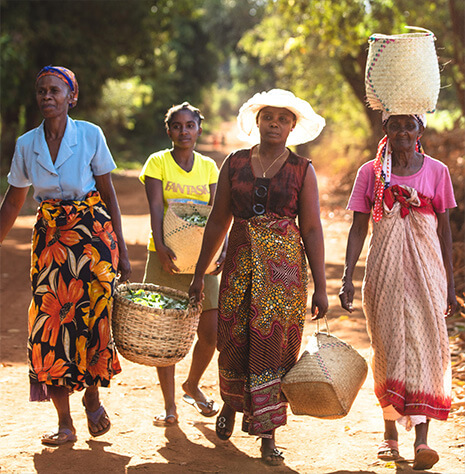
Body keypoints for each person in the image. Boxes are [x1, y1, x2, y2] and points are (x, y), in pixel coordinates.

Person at [189, 89, 328, 466]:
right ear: (257, 122)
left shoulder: (302, 169)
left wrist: (321, 287)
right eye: (268, 117)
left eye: (283, 119)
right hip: (239, 265)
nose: (275, 124)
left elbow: (312, 229)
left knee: (276, 348)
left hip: (283, 277)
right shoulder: (234, 164)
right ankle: (232, 407)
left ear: (292, 127)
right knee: (233, 338)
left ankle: (268, 435)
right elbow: (218, 220)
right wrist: (200, 273)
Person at [0, 66, 131, 446]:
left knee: (92, 320)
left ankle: (91, 394)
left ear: (71, 97)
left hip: (93, 237)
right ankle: (65, 423)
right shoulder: (27, 144)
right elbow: (12, 202)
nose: (46, 96)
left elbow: (109, 195)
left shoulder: (90, 135)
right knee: (49, 325)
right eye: (41, 91)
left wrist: (121, 249)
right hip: (52, 242)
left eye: (55, 90)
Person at [339, 113, 457, 471]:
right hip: (384, 273)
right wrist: (347, 275)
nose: (403, 132)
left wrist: (450, 284)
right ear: (385, 130)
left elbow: (445, 232)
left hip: (428, 274)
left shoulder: (438, 172)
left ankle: (422, 440)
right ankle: (389, 436)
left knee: (426, 345)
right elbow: (358, 227)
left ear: (420, 130)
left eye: (410, 125)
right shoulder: (370, 174)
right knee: (387, 346)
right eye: (395, 125)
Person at [139, 102, 224, 426]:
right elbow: (156, 208)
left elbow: (218, 213)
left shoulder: (208, 167)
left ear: (199, 129)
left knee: (212, 332)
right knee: (166, 334)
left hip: (202, 260)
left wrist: (221, 251)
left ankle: (192, 385)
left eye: (190, 125)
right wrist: (160, 248)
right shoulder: (157, 162)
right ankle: (170, 404)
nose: (184, 131)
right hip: (166, 259)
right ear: (169, 130)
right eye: (177, 125)